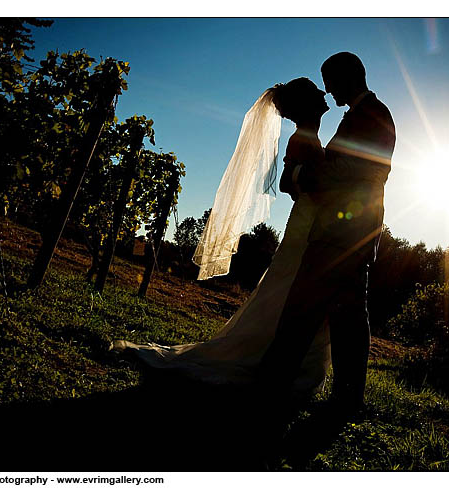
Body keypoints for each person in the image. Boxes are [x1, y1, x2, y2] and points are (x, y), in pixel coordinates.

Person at [111, 78, 334, 396]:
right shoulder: (301, 139)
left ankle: (290, 359)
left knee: (293, 290)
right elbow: (286, 183)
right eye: (316, 93)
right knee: (289, 290)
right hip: (306, 225)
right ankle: (273, 358)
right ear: (305, 106)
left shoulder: (310, 137)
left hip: (312, 223)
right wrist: (318, 184)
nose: (324, 95)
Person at [258, 52, 396, 419]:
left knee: (303, 309)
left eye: (330, 80)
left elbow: (352, 169)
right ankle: (347, 398)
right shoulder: (361, 116)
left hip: (344, 232)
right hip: (349, 232)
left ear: (347, 76)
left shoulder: (373, 116)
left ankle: (273, 384)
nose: (328, 89)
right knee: (348, 317)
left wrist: (303, 176)